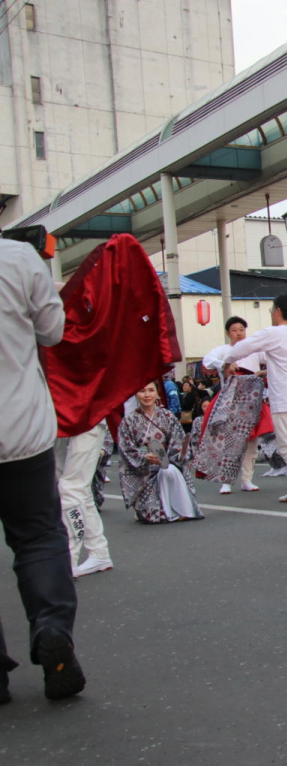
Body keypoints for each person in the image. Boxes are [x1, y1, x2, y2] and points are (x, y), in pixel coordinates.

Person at [0, 237, 86, 703]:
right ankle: (51, 629)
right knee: (38, 538)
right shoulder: (17, 256)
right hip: (18, 427)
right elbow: (53, 331)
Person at [219, 295, 287, 504]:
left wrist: (227, 362)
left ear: (278, 310)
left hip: (286, 397)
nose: (271, 313)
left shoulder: (273, 332)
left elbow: (242, 348)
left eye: (272, 309)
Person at [197, 316, 268, 496]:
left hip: (251, 402)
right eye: (235, 330)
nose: (239, 333)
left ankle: (247, 479)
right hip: (230, 402)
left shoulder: (254, 351)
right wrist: (226, 363)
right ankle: (225, 481)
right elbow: (208, 360)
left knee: (251, 442)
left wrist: (265, 371)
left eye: (241, 329)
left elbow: (271, 358)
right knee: (228, 442)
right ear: (228, 333)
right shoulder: (223, 351)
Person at [118, 383, 204, 523]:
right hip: (144, 470)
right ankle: (145, 508)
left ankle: (181, 508)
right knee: (152, 516)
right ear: (135, 394)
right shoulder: (128, 421)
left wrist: (170, 457)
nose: (147, 395)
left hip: (166, 462)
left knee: (169, 470)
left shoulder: (168, 416)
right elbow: (125, 448)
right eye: (142, 391)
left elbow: (178, 441)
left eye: (151, 390)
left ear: (158, 394)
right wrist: (144, 457)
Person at [55, 422, 114, 578]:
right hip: (55, 422)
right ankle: (99, 551)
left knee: (71, 488)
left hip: (85, 417)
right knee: (78, 489)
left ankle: (68, 561)